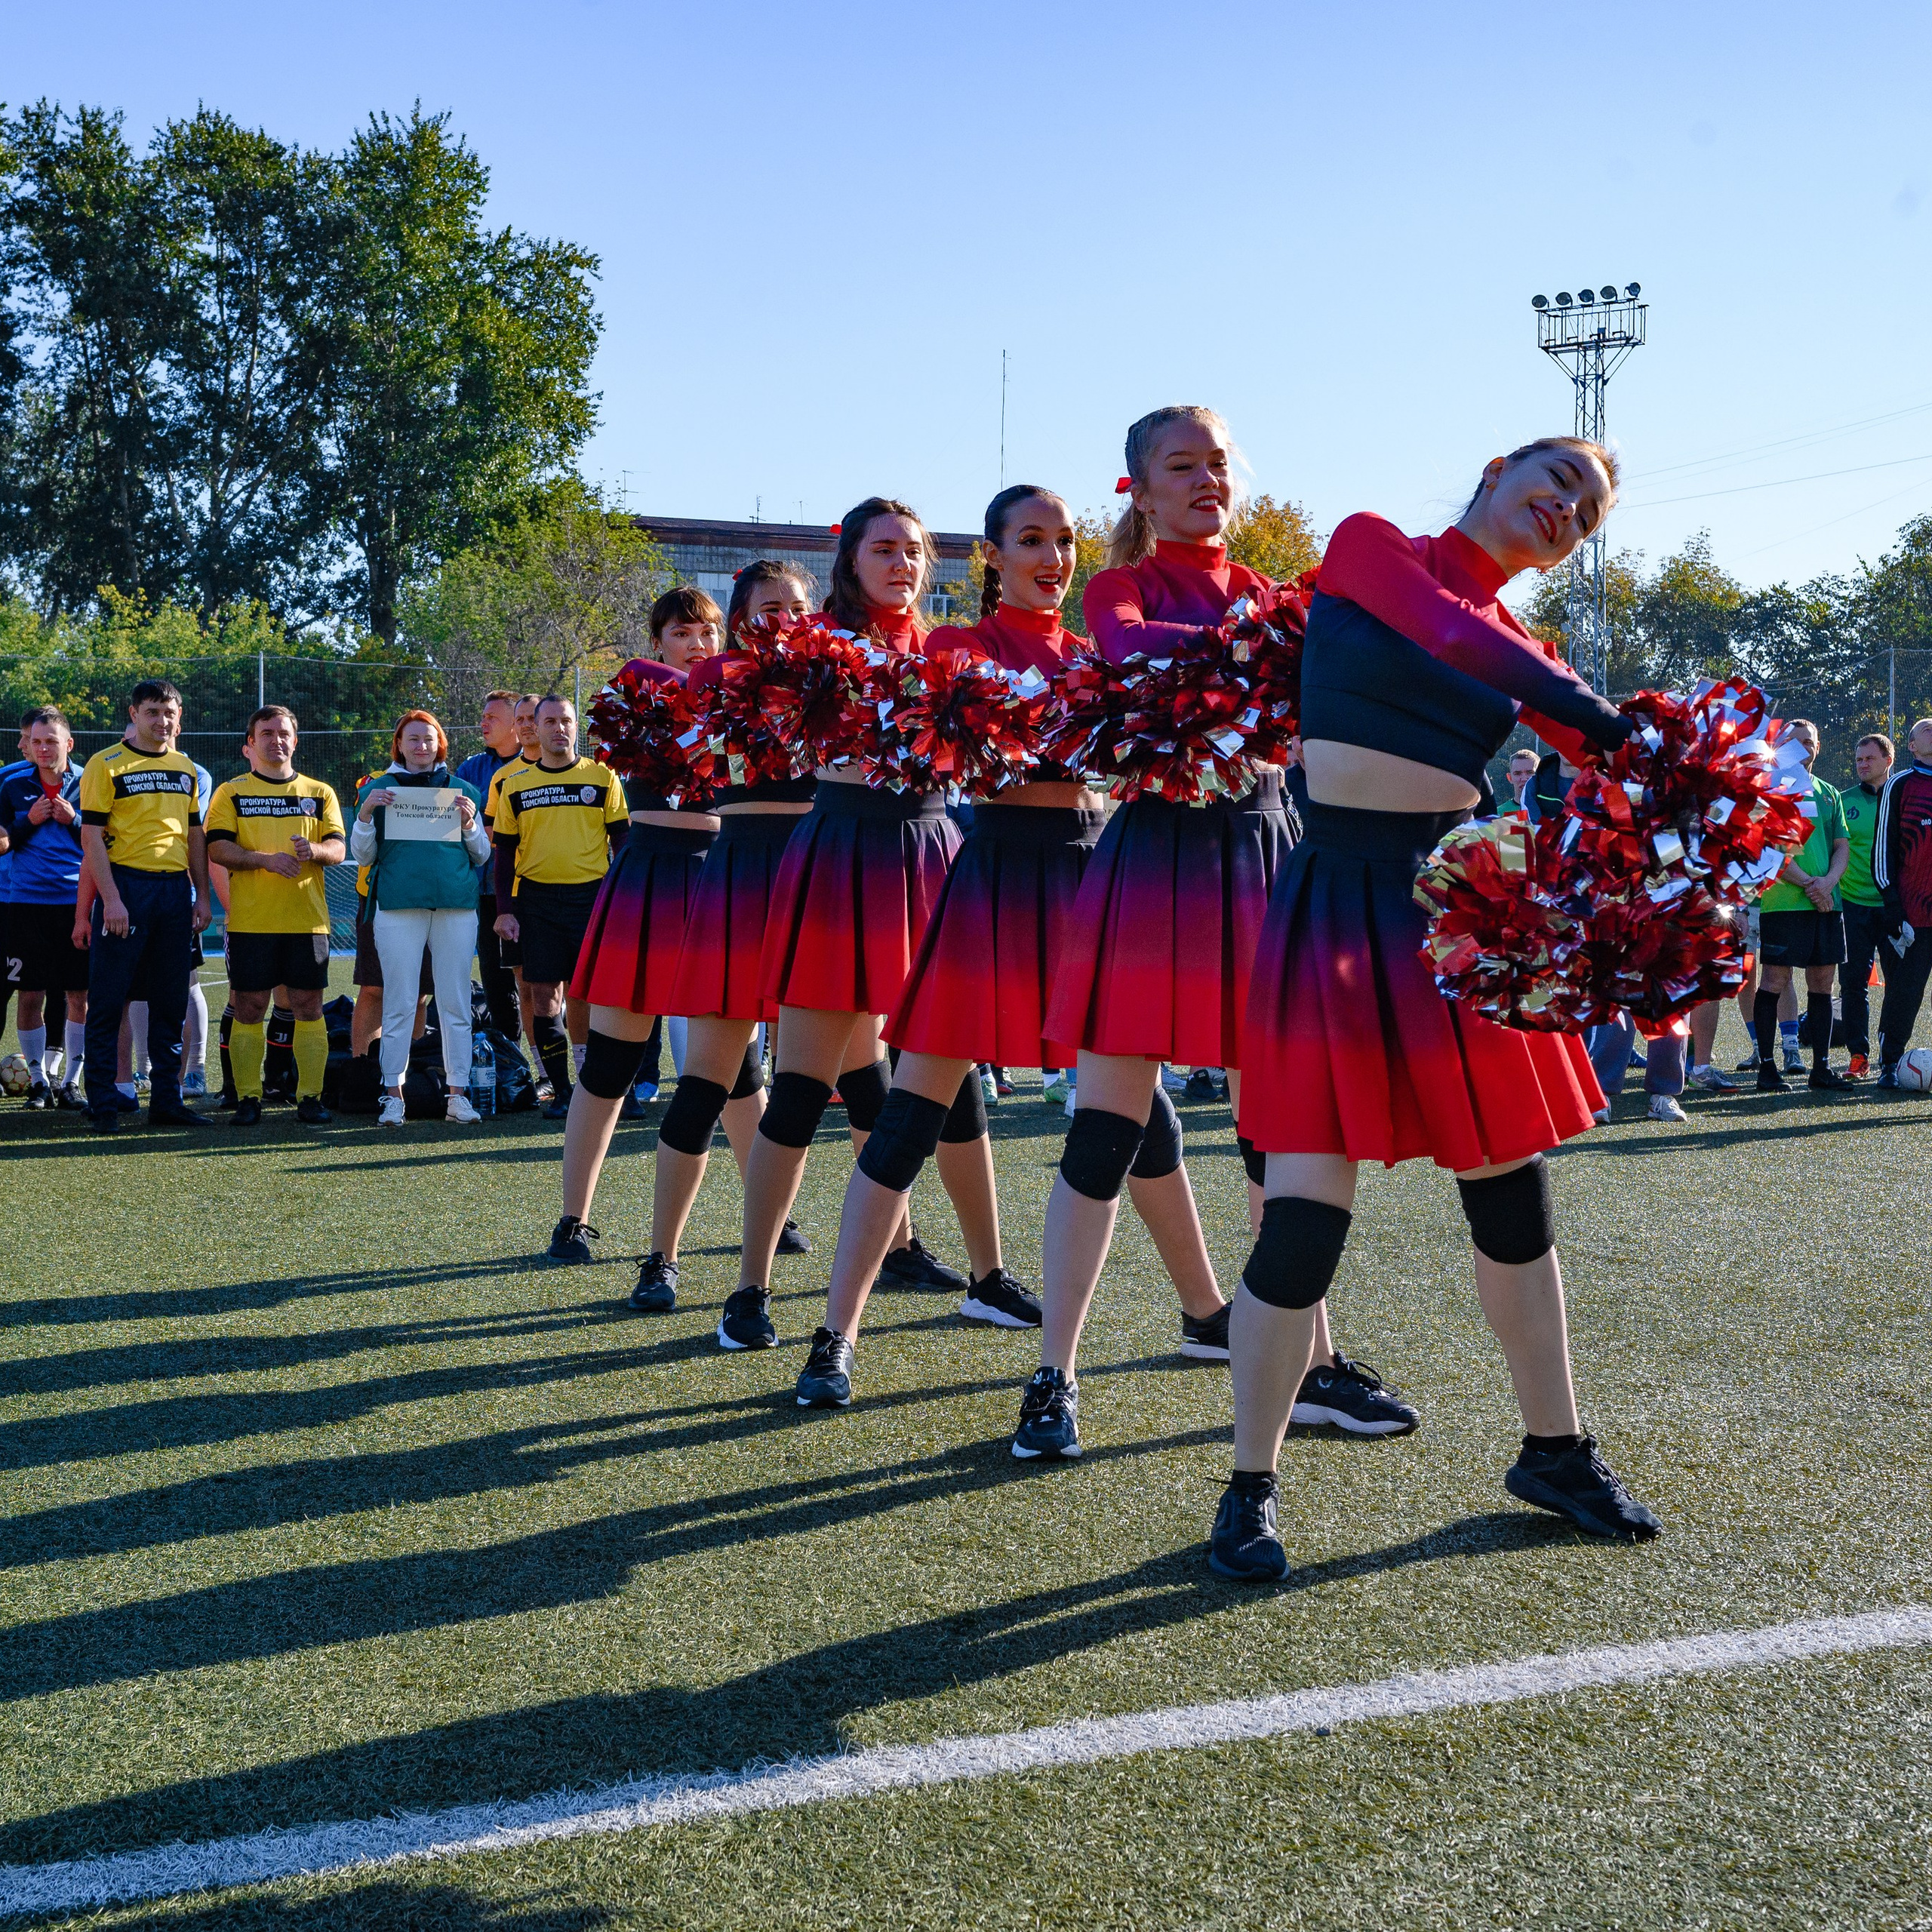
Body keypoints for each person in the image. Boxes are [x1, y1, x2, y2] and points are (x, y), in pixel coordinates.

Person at [1225, 435, 1662, 1580]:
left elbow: (1613, 772)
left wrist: (1686, 785)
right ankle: (1249, 1489)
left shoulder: (1535, 647)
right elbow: (1464, 641)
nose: (1567, 507)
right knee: (1305, 1218)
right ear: (1496, 469)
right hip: (1330, 908)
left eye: (1588, 509)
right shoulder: (1374, 548)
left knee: (1513, 1206)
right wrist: (1613, 725)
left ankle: (1556, 1450)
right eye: (1557, 479)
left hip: (1456, 910)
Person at [1019, 405, 1412, 1461]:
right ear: (1137, 493)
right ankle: (1053, 1375)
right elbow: (1140, 658)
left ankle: (1313, 1365)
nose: (1207, 481)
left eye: (1218, 465)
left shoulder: (1274, 597)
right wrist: (1270, 650)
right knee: (1104, 1126)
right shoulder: (1121, 586)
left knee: (1279, 1128)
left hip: (1267, 845)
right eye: (1181, 466)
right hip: (1154, 858)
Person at [793, 488, 1104, 1406]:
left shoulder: (1091, 654)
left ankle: (1205, 1314)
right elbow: (961, 739)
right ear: (994, 558)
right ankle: (833, 1335)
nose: (1053, 555)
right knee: (912, 1106)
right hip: (997, 871)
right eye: (1031, 539)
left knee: (1137, 1117)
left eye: (1064, 539)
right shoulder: (955, 647)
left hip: (1090, 873)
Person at [730, 497, 975, 1363]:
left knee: (940, 1075)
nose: (902, 562)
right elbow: (775, 735)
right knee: (800, 1088)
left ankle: (970, 1271)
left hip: (933, 850)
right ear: (853, 560)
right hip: (841, 850)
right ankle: (750, 1286)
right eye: (885, 548)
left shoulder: (952, 648)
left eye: (914, 550)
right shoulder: (813, 644)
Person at [631, 563, 821, 1309]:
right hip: (738, 871)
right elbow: (653, 696)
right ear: (741, 618)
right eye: (770, 608)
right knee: (707, 1080)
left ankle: (899, 1247)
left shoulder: (833, 678)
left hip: (817, 876)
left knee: (862, 1085)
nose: (786, 619)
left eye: (798, 608)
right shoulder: (712, 678)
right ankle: (660, 1258)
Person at [547, 588, 742, 1263]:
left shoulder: (741, 699)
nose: (699, 644)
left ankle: (770, 1213)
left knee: (739, 1069)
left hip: (721, 874)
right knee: (609, 1064)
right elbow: (642, 680)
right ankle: (572, 1218)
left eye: (710, 633)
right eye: (684, 633)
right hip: (649, 875)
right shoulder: (637, 686)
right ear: (660, 639)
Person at [75, 680, 212, 1131]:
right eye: (152, 711)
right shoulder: (105, 763)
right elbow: (91, 835)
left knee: (171, 1001)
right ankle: (103, 1103)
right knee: (110, 999)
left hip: (174, 892)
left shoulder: (185, 766)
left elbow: (195, 835)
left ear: (180, 716)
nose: (162, 720)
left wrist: (201, 894)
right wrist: (111, 899)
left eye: (169, 712)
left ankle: (167, 1102)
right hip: (127, 889)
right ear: (133, 714)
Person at [203, 706, 346, 1126]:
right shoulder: (231, 792)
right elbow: (217, 849)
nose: (276, 740)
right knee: (249, 1006)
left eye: (283, 733)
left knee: (308, 1007)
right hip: (251, 922)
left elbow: (337, 849)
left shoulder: (320, 792)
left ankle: (310, 1098)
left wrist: (314, 851)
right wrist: (265, 860)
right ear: (251, 743)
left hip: (307, 921)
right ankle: (249, 1097)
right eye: (266, 733)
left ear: (295, 741)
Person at [350, 711, 493, 1125]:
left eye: (428, 739)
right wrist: (363, 815)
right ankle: (392, 1096)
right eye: (412, 739)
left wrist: (469, 824)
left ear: (440, 744)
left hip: (456, 908)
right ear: (399, 744)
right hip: (397, 908)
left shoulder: (464, 790)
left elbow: (481, 855)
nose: (421, 746)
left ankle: (458, 1096)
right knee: (399, 1001)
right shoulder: (378, 790)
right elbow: (364, 857)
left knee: (456, 1003)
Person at [492, 694, 629, 1121]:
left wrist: (623, 902)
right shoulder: (512, 784)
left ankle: (594, 1086)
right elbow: (504, 856)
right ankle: (563, 1089)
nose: (558, 728)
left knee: (591, 994)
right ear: (533, 727)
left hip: (593, 898)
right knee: (544, 995)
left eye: (566, 721)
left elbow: (623, 845)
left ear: (576, 726)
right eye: (549, 721)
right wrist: (504, 910)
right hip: (537, 900)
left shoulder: (603, 777)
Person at [1752, 719, 1850, 1094]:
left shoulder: (1829, 792)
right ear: (1781, 746)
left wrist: (1827, 883)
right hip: (1783, 901)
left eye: (1811, 741)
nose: (1806, 748)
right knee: (1775, 981)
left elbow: (1841, 845)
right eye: (1796, 742)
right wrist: (1809, 884)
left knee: (1823, 984)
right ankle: (1766, 1069)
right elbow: (1764, 847)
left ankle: (1821, 1069)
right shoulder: (1768, 790)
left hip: (1827, 903)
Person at [0, 707, 87, 1107]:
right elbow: (2, 842)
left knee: (78, 994)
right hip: (26, 905)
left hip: (76, 902)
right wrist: (27, 823)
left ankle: (69, 1081)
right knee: (30, 994)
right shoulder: (13, 787)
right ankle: (38, 1080)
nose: (43, 748)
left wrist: (74, 821)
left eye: (51, 740)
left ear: (68, 743)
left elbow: (110, 844)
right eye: (36, 741)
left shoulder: (92, 783)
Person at [457, 691, 528, 1047]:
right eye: (483, 716)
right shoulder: (471, 768)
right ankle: (508, 1059)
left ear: (516, 725)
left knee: (535, 981)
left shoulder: (538, 765)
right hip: (485, 891)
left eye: (492, 718)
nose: (483, 723)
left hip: (532, 889)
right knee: (494, 977)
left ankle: (550, 1069)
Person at [1873, 716, 1932, 1086]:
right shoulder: (1900, 784)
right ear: (1911, 745)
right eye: (1925, 729)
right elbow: (1883, 854)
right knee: (1904, 993)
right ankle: (1890, 1064)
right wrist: (1894, 906)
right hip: (1915, 915)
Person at [1838, 732, 1894, 1078]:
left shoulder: (1901, 798)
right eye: (1859, 759)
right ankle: (1858, 1055)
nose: (1862, 764)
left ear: (1888, 761)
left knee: (1900, 985)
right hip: (1852, 906)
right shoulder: (1843, 800)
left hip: (1894, 906)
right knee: (1853, 985)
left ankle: (1892, 1057)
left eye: (1869, 759)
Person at [1505, 746, 1539, 811]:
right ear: (1510, 778)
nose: (1524, 779)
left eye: (1530, 772)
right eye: (1517, 773)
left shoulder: (1552, 811)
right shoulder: (1498, 814)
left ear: (1540, 776)